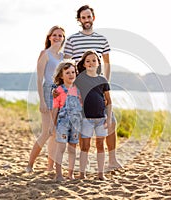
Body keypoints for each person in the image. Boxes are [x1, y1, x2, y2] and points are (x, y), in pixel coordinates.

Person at [64, 4, 122, 170]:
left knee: (111, 121)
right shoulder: (72, 40)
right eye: (83, 17)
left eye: (89, 17)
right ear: (79, 20)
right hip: (79, 87)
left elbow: (107, 63)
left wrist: (105, 87)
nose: (86, 20)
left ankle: (112, 160)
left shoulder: (102, 39)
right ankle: (84, 160)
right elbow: (66, 64)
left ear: (93, 18)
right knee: (82, 123)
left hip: (98, 87)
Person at [25, 25, 65, 173]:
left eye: (60, 36)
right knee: (46, 132)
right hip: (48, 91)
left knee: (55, 133)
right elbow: (39, 79)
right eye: (54, 35)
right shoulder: (45, 53)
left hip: (60, 94)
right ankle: (30, 164)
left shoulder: (62, 56)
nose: (57, 38)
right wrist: (41, 100)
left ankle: (50, 167)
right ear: (49, 37)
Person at [75, 50, 112, 180]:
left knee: (100, 145)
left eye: (94, 60)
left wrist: (108, 118)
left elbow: (109, 101)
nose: (91, 63)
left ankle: (101, 174)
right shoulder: (79, 79)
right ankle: (82, 174)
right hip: (86, 119)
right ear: (84, 64)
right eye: (88, 61)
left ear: (98, 63)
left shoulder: (102, 80)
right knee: (85, 146)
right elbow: (68, 88)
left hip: (101, 118)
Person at [52, 61, 82, 181]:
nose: (71, 75)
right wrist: (52, 125)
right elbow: (55, 109)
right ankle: (58, 174)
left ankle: (70, 174)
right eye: (67, 73)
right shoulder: (59, 90)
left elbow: (82, 107)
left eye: (73, 72)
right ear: (61, 75)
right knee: (61, 148)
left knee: (72, 149)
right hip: (62, 124)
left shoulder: (78, 90)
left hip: (76, 124)